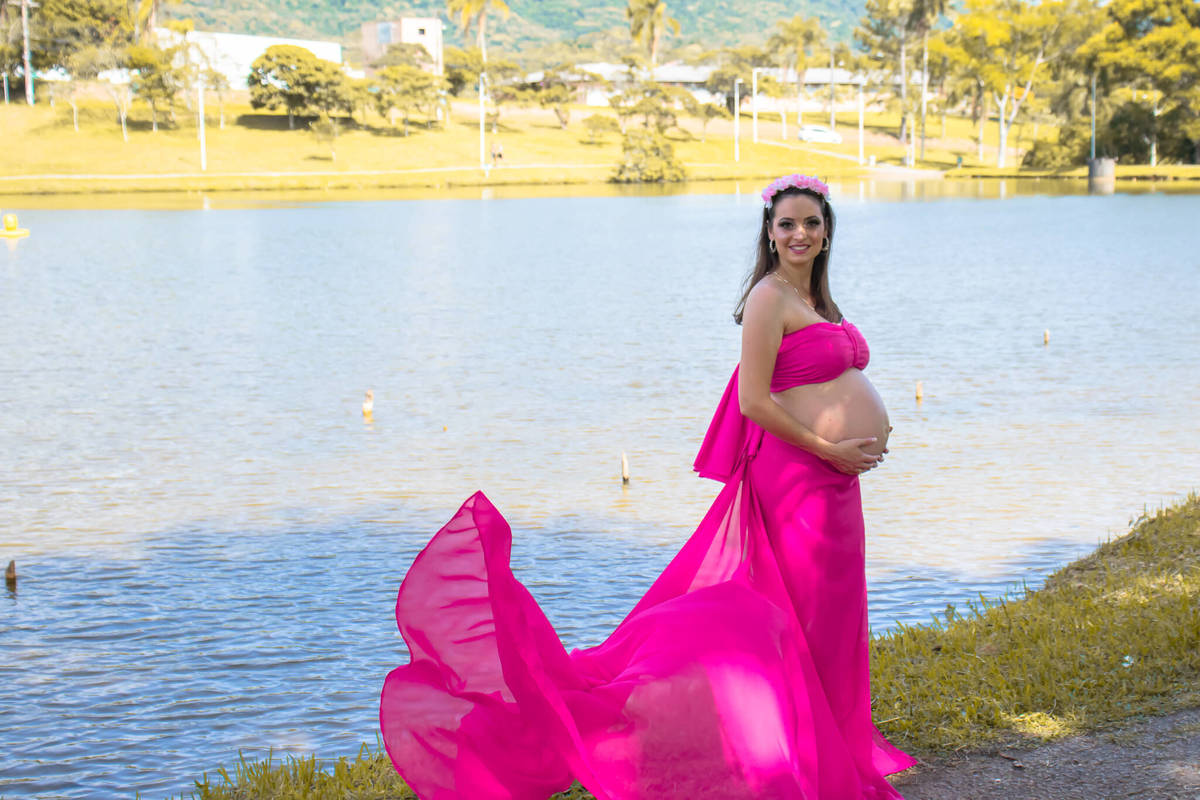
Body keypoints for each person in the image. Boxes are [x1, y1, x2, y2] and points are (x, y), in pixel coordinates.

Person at [380, 174, 918, 799]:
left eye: (811, 224)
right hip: (796, 476)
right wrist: (828, 446)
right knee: (792, 616)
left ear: (827, 235)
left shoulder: (821, 300)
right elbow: (753, 401)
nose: (800, 234)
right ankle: (800, 757)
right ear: (769, 235)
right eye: (787, 224)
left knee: (832, 616)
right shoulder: (770, 298)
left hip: (835, 488)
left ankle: (835, 747)